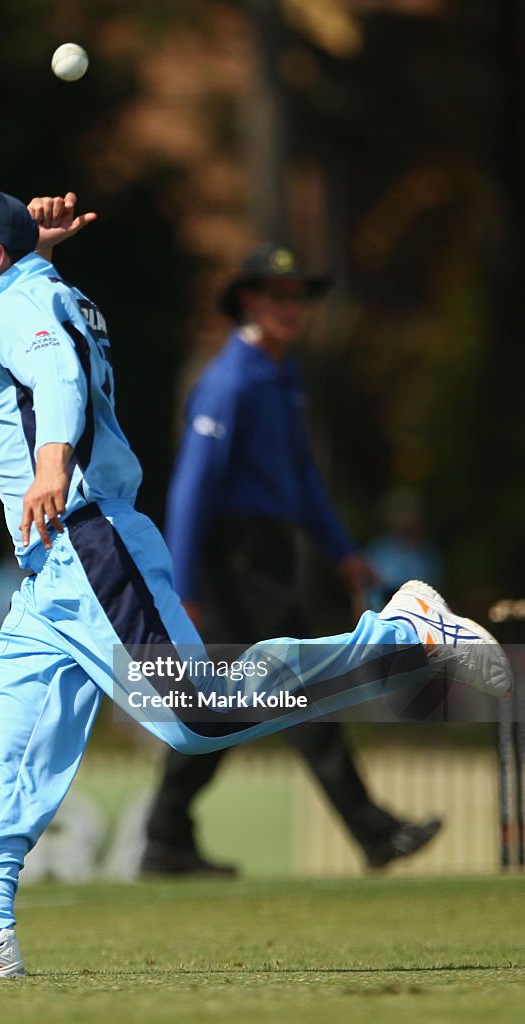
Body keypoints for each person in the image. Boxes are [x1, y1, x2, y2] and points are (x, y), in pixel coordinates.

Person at [0, 189, 511, 979]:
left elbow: (56, 374)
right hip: (51, 573)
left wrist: (49, 464)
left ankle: (403, 637)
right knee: (0, 740)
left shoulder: (13, 308)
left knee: (196, 717)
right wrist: (33, 246)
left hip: (88, 542)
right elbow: (48, 325)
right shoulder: (39, 286)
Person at [140, 245, 441, 878]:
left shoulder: (282, 375)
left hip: (269, 551)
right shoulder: (230, 380)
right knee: (303, 685)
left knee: (226, 704)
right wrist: (183, 584)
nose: (291, 309)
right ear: (248, 302)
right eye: (278, 296)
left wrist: (343, 554)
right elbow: (193, 488)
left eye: (297, 297)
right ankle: (373, 831)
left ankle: (165, 835)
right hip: (234, 559)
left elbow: (301, 478)